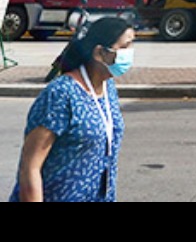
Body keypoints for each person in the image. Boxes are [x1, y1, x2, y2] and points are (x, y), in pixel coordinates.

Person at [11, 16, 135, 202]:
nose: (130, 53)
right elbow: (30, 167)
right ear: (99, 53)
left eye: (132, 45)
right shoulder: (61, 94)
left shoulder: (108, 88)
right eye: (124, 47)